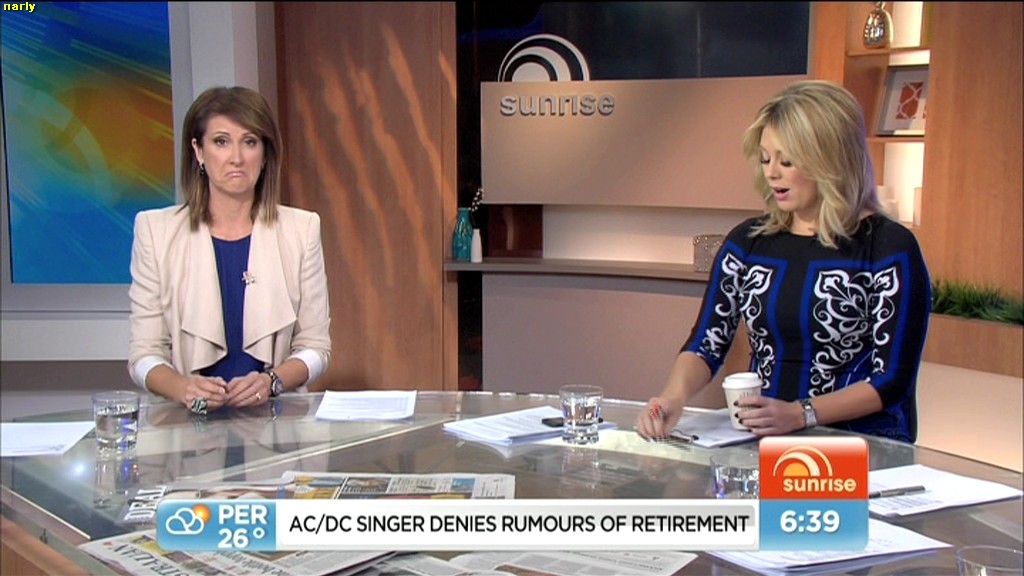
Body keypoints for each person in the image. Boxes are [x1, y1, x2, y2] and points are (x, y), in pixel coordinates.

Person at [635, 80, 931, 443]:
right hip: (765, 440)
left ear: (830, 160)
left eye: (786, 161)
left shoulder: (889, 249)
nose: (771, 172)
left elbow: (892, 379)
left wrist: (801, 413)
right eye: (765, 158)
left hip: (861, 449)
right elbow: (706, 343)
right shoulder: (748, 243)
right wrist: (672, 397)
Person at [128, 86, 331, 413]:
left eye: (249, 142)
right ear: (198, 150)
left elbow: (317, 349)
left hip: (276, 423)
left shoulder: (301, 229)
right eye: (221, 141)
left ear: (265, 153)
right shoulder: (155, 231)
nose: (236, 157)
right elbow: (143, 356)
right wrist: (183, 388)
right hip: (186, 425)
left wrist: (272, 381)